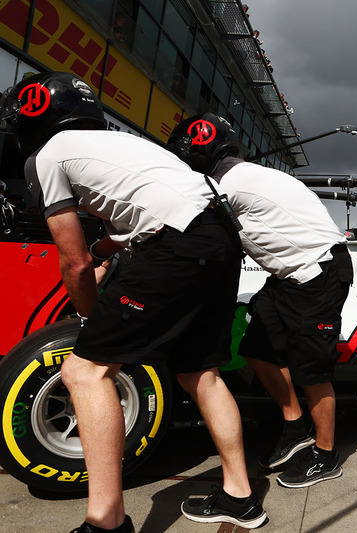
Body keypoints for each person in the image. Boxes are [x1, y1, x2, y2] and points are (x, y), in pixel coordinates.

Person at [0, 72, 266, 532]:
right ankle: (241, 497)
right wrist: (104, 260)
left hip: (176, 243)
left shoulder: (44, 157)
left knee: (84, 370)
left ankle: (107, 522)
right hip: (221, 240)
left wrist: (88, 318)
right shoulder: (125, 146)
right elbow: (119, 233)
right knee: (199, 372)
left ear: (33, 111)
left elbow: (76, 262)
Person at [168, 113, 352, 488]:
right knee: (257, 349)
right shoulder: (244, 175)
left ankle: (326, 455)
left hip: (317, 272)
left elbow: (184, 227)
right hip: (288, 276)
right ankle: (294, 426)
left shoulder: (225, 184)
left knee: (311, 372)